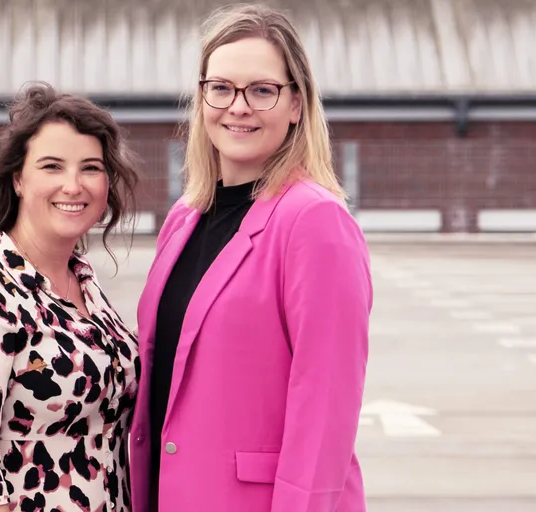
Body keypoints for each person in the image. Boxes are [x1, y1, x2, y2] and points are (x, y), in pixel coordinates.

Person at [129, 4, 373, 512]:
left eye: (262, 90)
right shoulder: (184, 218)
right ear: (201, 99)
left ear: (296, 105)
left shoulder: (314, 221)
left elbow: (325, 408)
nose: (237, 106)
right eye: (220, 88)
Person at [0, 82, 140, 512]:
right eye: (52, 167)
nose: (73, 185)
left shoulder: (87, 287)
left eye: (91, 168)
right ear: (18, 179)